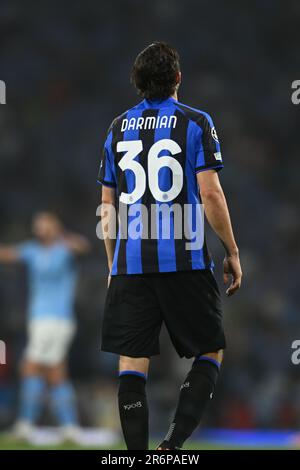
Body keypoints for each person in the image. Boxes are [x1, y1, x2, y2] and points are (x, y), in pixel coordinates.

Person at [98, 42, 242, 450]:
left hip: (131, 265)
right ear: (178, 78)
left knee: (131, 364)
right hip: (186, 259)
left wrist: (113, 263)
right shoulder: (196, 122)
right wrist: (231, 250)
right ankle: (171, 449)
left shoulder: (115, 128)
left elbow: (106, 206)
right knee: (210, 350)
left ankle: (138, 459)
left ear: (138, 83)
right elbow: (210, 194)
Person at [0, 212, 90, 442]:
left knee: (30, 367)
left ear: (54, 226)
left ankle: (26, 424)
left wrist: (60, 234)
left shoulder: (63, 248)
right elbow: (8, 254)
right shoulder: (32, 250)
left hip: (56, 319)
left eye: (44, 224)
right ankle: (69, 426)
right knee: (55, 372)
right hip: (40, 319)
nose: (40, 228)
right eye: (37, 225)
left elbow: (84, 246)